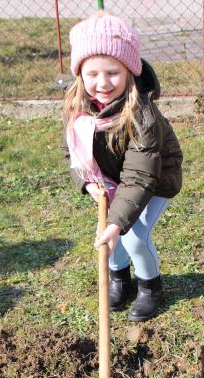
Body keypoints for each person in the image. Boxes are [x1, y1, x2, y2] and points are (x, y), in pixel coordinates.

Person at [62, 12, 183, 322]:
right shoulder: (79, 106)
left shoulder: (142, 115)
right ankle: (119, 281)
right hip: (113, 180)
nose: (102, 83)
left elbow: (140, 176)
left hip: (155, 179)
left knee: (132, 235)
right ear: (80, 74)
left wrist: (118, 223)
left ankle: (150, 287)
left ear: (130, 71)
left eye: (113, 72)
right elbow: (72, 151)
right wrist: (87, 182)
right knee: (107, 231)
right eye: (92, 73)